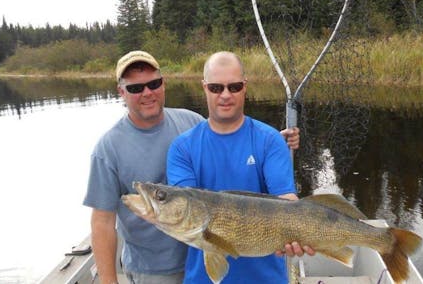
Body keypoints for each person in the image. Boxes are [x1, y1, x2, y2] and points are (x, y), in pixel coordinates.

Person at [83, 50, 301, 284]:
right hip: (155, 267)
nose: (147, 93)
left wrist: (273, 142)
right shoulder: (112, 148)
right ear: (121, 92)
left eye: (154, 84)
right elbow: (102, 221)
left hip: (226, 261)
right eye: (136, 88)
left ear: (163, 84)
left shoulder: (189, 121)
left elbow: (225, 139)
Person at [166, 51, 313, 284]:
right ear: (204, 88)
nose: (225, 95)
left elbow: (286, 199)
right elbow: (188, 210)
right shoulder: (182, 148)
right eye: (216, 88)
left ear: (245, 87)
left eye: (233, 87)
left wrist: (299, 232)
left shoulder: (270, 140)